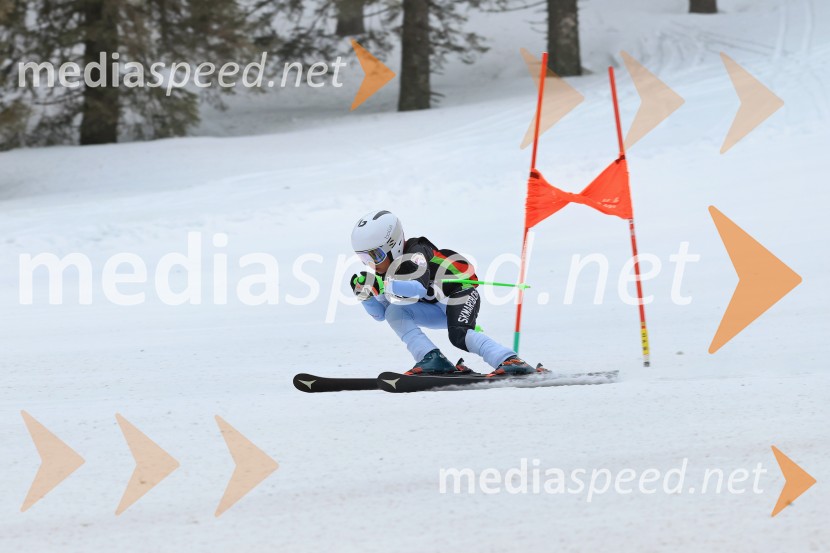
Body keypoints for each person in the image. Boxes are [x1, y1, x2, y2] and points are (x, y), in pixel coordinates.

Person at [349, 210, 543, 377]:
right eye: (364, 258)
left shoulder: (416, 252)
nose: (371, 263)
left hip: (460, 294)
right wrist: (366, 296)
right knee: (394, 312)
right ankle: (432, 359)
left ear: (393, 245)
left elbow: (418, 288)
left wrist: (383, 285)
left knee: (459, 335)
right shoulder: (386, 270)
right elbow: (381, 315)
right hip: (435, 307)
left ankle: (510, 361)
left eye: (375, 255)